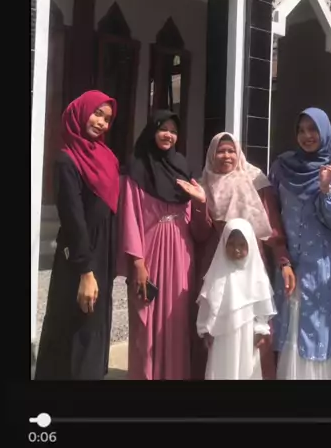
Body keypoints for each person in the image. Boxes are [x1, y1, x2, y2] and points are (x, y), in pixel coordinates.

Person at [176, 132, 295, 380]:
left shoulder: (255, 180)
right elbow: (200, 233)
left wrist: (283, 260)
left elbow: (272, 225)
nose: (226, 156)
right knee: (215, 320)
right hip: (216, 261)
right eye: (221, 151)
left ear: (239, 153)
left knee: (254, 322)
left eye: (231, 150)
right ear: (212, 154)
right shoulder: (203, 184)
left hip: (251, 261)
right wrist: (200, 203)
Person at [117, 110, 209, 380]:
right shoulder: (137, 169)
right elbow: (129, 217)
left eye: (174, 131)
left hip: (181, 252)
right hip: (150, 251)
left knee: (177, 318)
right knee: (147, 317)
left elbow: (198, 228)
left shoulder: (182, 168)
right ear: (152, 130)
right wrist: (137, 263)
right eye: (163, 129)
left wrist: (201, 202)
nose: (169, 135)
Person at [35, 90, 119, 380]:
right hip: (80, 255)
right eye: (97, 113)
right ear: (80, 113)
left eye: (107, 118)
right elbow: (73, 218)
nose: (101, 122)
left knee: (95, 326)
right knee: (74, 328)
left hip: (103, 252)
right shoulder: (67, 160)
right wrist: (86, 271)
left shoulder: (108, 157)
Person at [269, 108, 331, 380]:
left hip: (322, 268)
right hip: (290, 264)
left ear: (325, 132)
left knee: (319, 330)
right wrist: (281, 257)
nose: (307, 135)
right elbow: (271, 214)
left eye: (313, 129)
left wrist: (326, 189)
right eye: (301, 130)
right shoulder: (282, 168)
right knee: (292, 328)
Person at [196, 219, 276, 380]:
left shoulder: (256, 275)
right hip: (221, 334)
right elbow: (207, 304)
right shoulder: (217, 274)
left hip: (247, 336)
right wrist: (206, 330)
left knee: (246, 370)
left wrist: (260, 329)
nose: (236, 250)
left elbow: (262, 306)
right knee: (222, 369)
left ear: (250, 245)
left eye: (241, 245)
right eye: (231, 244)